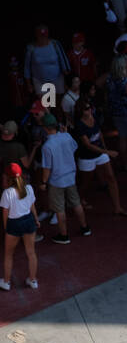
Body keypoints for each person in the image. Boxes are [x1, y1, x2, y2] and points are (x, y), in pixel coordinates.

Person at [38, 113, 90, 244]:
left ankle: (64, 235)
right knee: (76, 203)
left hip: (57, 180)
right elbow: (74, 148)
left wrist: (43, 182)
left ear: (45, 128)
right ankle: (85, 227)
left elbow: (47, 168)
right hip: (71, 176)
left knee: (59, 209)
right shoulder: (66, 136)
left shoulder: (47, 146)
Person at [0, 162, 38, 291]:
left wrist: (6, 229)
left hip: (14, 223)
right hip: (28, 220)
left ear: (8, 178)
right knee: (31, 252)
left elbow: (5, 214)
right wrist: (36, 219)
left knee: (8, 254)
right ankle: (33, 280)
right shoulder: (29, 188)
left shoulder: (7, 193)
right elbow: (32, 205)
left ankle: (6, 282)